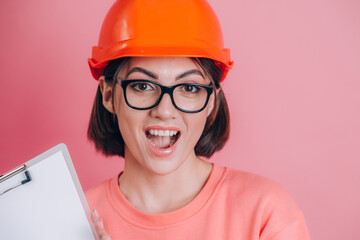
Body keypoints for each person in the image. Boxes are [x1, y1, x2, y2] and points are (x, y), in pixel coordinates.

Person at [85, 0, 310, 239]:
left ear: (212, 100)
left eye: (189, 88)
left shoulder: (266, 213)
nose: (165, 110)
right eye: (143, 85)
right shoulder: (73, 218)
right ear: (108, 95)